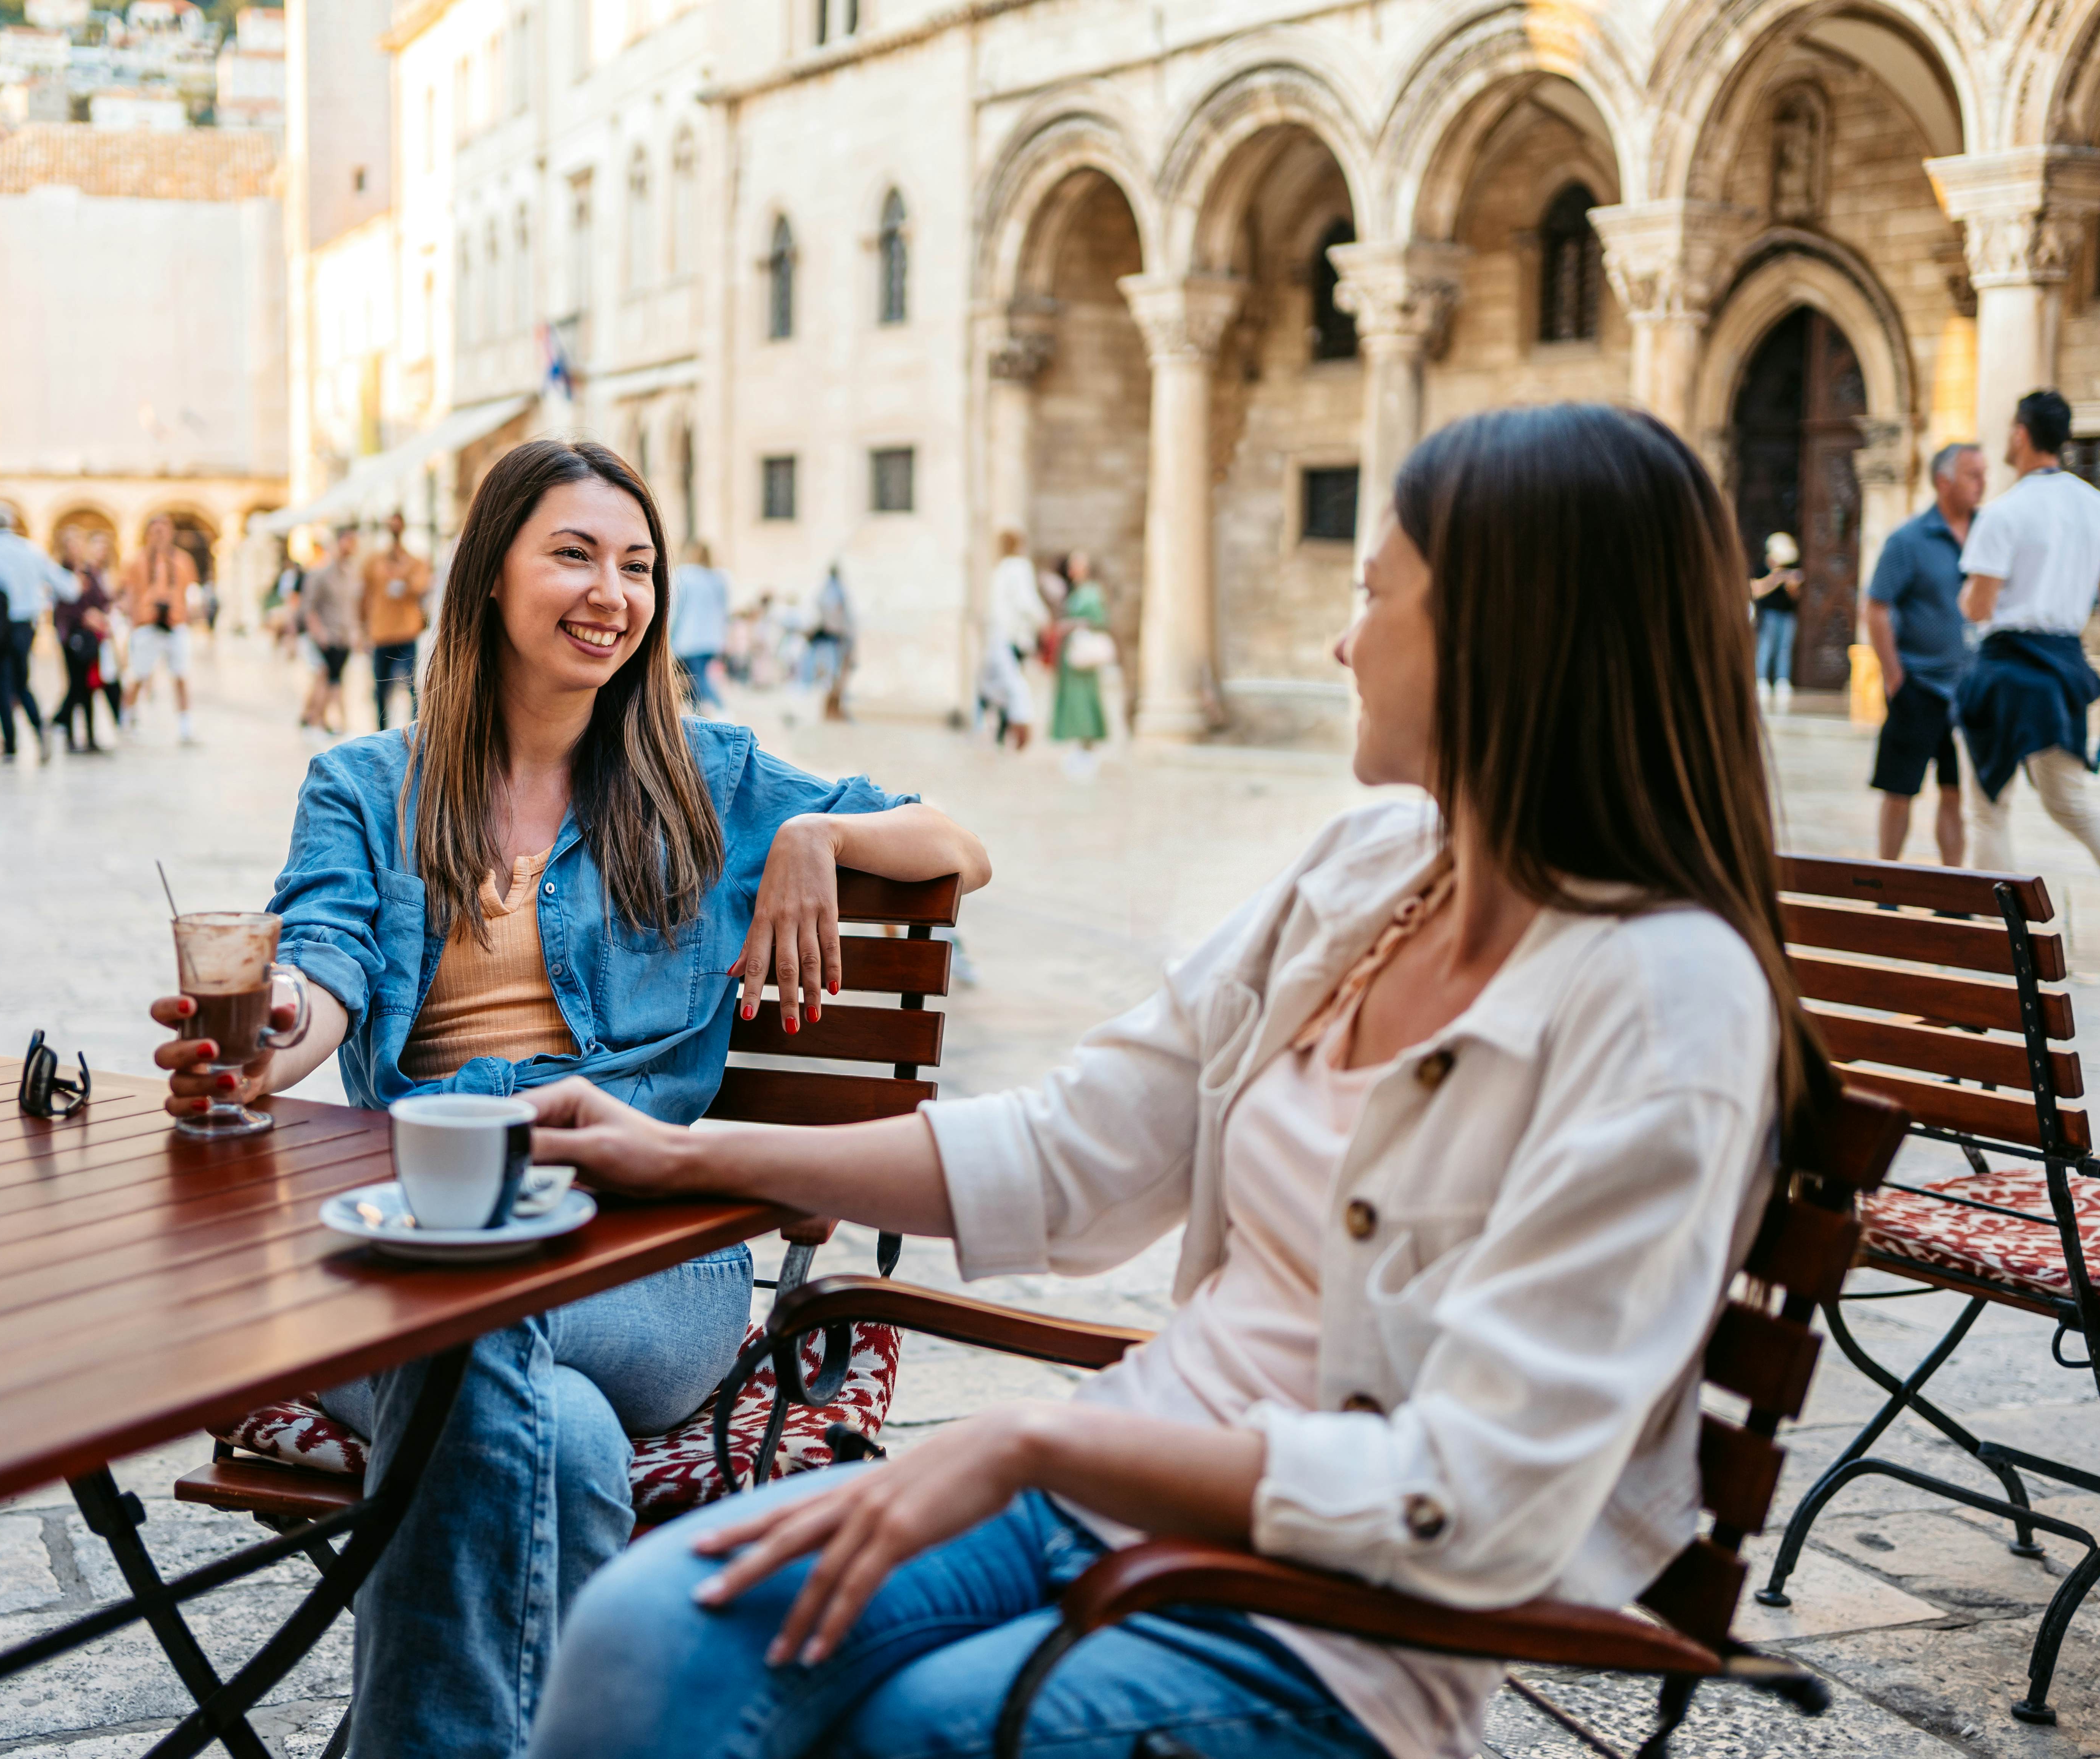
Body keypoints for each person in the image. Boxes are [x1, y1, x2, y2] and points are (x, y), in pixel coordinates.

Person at [520, 403, 1816, 1759]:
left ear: (1509, 639)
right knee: (644, 1632)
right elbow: (1071, 1150)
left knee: (917, 1733)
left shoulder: (1665, 1000)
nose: (1341, 641)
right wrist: (685, 1157)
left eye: (1374, 595)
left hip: (1334, 1634)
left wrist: (1035, 1446)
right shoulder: (1371, 872)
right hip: (1109, 1491)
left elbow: (1473, 1501)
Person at [142, 439, 990, 1759]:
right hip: (426, 1235)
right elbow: (322, 965)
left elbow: (954, 841)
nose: (612, 592)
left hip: (648, 1250)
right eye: (575, 555)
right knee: (555, 1433)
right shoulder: (363, 788)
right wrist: (267, 1044)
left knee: (462, 1336)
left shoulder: (705, 777)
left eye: (637, 564)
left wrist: (822, 836)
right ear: (490, 578)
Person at [1957, 388, 2100, 966]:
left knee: (1988, 806)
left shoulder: (2003, 512)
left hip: (2007, 668)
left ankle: (1997, 935)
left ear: (2020, 433)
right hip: (2062, 668)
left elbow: (1979, 607)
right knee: (2069, 801)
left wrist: (1963, 596)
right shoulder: (2099, 506)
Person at [1863, 443, 1983, 864]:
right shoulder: (1908, 540)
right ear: (1943, 481)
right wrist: (1895, 676)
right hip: (1918, 686)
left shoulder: (1989, 534)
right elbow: (1877, 606)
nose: (1981, 484)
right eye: (1972, 475)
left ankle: (1954, 896)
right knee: (1899, 792)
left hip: (1969, 694)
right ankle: (1886, 888)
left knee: (1957, 796)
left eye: (1983, 474)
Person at [0, 502, 74, 763]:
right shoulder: (30, 550)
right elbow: (67, 587)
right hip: (25, 625)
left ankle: (10, 743)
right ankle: (39, 727)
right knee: (21, 681)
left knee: (1, 682)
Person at [120, 515, 199, 743]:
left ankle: (186, 727)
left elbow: (191, 591)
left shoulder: (183, 560)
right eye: (155, 530)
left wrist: (192, 611)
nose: (160, 535)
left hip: (175, 624)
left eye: (164, 530)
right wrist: (133, 619)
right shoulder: (137, 561)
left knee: (181, 675)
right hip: (147, 625)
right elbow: (129, 593)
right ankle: (127, 719)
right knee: (138, 674)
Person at [365, 510, 433, 730]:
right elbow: (366, 595)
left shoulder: (414, 561)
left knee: (412, 687)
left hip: (406, 633)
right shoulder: (374, 561)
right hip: (382, 632)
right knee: (380, 689)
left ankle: (414, 730)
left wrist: (402, 574)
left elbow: (422, 587)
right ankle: (381, 731)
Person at [978, 529, 1044, 752]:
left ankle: (1008, 729)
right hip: (1012, 635)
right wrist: (1043, 620)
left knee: (1002, 681)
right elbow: (1027, 602)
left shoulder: (1001, 570)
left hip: (1001, 634)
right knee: (1013, 682)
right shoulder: (1018, 568)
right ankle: (1020, 728)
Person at [52, 530, 117, 754]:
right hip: (72, 636)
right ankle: (68, 733)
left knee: (88, 687)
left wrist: (100, 615)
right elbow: (64, 606)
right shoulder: (61, 573)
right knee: (75, 685)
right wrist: (84, 617)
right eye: (72, 544)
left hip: (91, 637)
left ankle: (89, 737)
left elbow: (101, 599)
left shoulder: (90, 572)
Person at [299, 526, 364, 736]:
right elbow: (308, 608)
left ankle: (315, 719)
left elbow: (353, 608)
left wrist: (357, 633)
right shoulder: (321, 574)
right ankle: (321, 721)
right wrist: (319, 634)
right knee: (326, 679)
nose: (352, 547)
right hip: (326, 639)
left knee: (331, 681)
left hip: (343, 638)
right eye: (348, 541)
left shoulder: (352, 574)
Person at [1050, 550, 1108, 774]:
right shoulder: (1075, 591)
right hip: (1071, 656)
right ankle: (1080, 748)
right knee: (1074, 703)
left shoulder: (1092, 592)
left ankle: (1088, 748)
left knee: (1085, 701)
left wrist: (1071, 625)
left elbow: (1099, 620)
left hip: (1082, 656)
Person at [669, 540, 730, 713]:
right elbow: (724, 611)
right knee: (698, 679)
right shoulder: (719, 579)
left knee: (697, 680)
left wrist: (668, 635)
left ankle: (720, 711)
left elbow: (674, 610)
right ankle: (701, 714)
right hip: (713, 639)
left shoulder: (683, 575)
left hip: (688, 640)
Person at [1749, 531, 1802, 709]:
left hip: (1787, 614)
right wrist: (1775, 578)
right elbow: (1756, 590)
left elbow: (1795, 596)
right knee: (1766, 648)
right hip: (1769, 614)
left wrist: (1791, 585)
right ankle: (1762, 680)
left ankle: (1782, 681)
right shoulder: (1763, 569)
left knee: (1784, 649)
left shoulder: (1790, 568)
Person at [809, 563, 854, 721]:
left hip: (838, 641)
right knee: (829, 677)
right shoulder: (830, 593)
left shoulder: (836, 591)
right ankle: (828, 712)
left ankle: (833, 711)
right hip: (830, 641)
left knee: (838, 678)